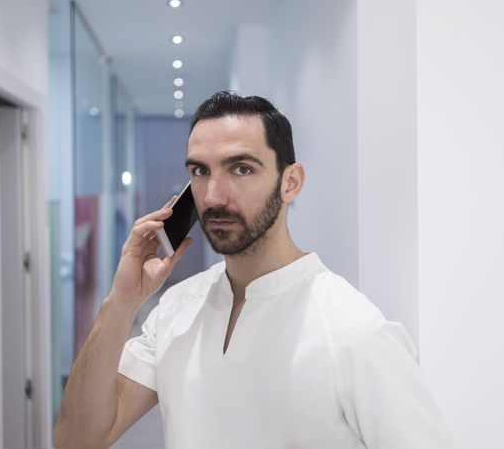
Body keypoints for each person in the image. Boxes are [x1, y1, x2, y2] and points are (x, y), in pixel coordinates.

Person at [53, 91, 454, 449]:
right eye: (200, 171)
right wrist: (122, 301)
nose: (212, 196)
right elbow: (77, 439)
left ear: (290, 182)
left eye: (241, 169)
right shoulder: (176, 308)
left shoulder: (354, 332)